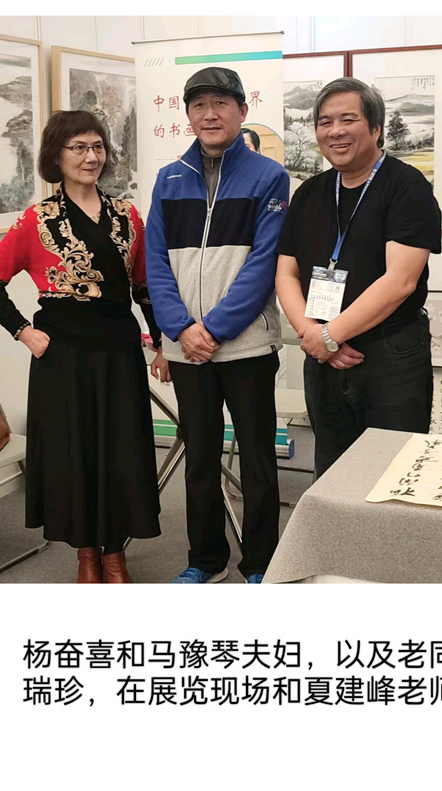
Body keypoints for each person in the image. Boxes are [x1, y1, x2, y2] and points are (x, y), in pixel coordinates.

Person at [0, 110, 167, 583]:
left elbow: (144, 287)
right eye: (79, 148)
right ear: (56, 156)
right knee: (75, 456)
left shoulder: (127, 215)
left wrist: (160, 345)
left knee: (121, 453)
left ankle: (115, 553)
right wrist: (22, 330)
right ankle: (87, 554)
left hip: (118, 351)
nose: (91, 157)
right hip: (63, 356)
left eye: (97, 147)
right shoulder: (37, 219)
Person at [146, 67, 289, 584]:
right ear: (187, 115)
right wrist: (181, 328)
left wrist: (215, 329)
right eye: (199, 105)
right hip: (186, 348)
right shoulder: (169, 178)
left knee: (257, 460)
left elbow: (264, 263)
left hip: (246, 346)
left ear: (242, 111)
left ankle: (261, 564)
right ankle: (205, 561)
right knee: (200, 459)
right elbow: (155, 263)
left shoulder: (268, 176)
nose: (210, 114)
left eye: (221, 103)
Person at [276, 77, 442, 477]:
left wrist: (329, 335)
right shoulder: (310, 193)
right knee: (332, 473)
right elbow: (286, 272)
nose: (335, 131)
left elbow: (400, 281)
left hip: (389, 354)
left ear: (376, 127)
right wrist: (314, 335)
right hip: (322, 355)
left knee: (391, 474)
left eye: (347, 119)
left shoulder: (407, 187)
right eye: (325, 121)